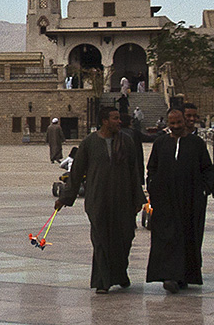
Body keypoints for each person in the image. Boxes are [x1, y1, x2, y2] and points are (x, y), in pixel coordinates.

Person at [56, 107, 144, 294]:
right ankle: (102, 281)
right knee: (101, 240)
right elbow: (77, 172)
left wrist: (138, 197)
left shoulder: (126, 142)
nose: (119, 121)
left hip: (123, 199)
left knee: (125, 238)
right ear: (104, 121)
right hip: (98, 198)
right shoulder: (89, 143)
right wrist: (65, 197)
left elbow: (134, 171)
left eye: (119, 118)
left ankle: (120, 273)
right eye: (115, 118)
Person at [146, 107, 214, 293]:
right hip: (165, 201)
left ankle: (184, 275)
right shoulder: (161, 143)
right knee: (166, 238)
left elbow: (207, 169)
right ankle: (169, 275)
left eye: (179, 122)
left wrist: (204, 189)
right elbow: (152, 168)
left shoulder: (196, 143)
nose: (176, 126)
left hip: (190, 201)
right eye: (172, 124)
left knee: (187, 237)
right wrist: (154, 188)